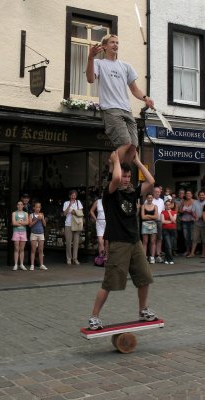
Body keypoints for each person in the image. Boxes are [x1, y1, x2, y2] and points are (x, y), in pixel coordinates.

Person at [88, 150, 157, 330]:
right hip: (118, 242)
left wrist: (138, 162)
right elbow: (116, 179)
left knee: (144, 277)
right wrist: (115, 160)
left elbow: (151, 181)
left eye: (128, 176)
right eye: (124, 176)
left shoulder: (132, 193)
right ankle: (94, 317)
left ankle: (142, 310)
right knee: (110, 282)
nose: (125, 179)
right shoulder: (110, 193)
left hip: (134, 241)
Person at [86, 34, 154, 165]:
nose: (115, 45)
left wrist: (146, 98)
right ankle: (112, 171)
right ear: (104, 46)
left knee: (134, 146)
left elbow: (134, 90)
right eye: (112, 42)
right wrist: (90, 57)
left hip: (126, 110)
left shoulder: (126, 67)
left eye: (117, 42)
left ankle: (123, 173)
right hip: (111, 109)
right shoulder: (98, 63)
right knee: (125, 143)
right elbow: (90, 79)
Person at [63, 190, 83, 265]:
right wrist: (69, 206)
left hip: (77, 223)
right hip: (68, 224)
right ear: (69, 196)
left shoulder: (78, 202)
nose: (73, 197)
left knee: (76, 242)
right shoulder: (66, 203)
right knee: (68, 242)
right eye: (72, 195)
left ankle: (75, 258)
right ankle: (69, 258)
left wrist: (73, 212)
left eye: (74, 195)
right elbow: (64, 213)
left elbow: (80, 212)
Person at [29, 202, 48, 270]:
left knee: (40, 250)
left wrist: (42, 218)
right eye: (36, 207)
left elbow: (45, 225)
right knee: (33, 250)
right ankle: (32, 265)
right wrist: (37, 219)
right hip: (34, 233)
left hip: (41, 233)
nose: (38, 208)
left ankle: (41, 264)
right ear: (34, 208)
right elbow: (30, 225)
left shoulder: (42, 214)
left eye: (39, 207)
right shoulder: (31, 215)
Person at [141, 193, 158, 264]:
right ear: (146, 198)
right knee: (145, 242)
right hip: (145, 224)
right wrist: (151, 216)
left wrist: (147, 215)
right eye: (148, 198)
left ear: (152, 198)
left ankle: (152, 257)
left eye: (151, 198)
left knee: (153, 241)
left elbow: (156, 217)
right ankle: (144, 257)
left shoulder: (155, 206)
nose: (150, 199)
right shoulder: (143, 206)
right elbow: (142, 217)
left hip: (153, 224)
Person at [187, 190, 205, 258]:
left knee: (204, 240)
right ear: (198, 196)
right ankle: (192, 253)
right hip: (196, 224)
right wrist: (195, 216)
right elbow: (193, 211)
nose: (201, 196)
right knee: (194, 239)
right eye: (200, 195)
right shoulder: (195, 202)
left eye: (203, 195)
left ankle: (203, 254)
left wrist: (201, 217)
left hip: (204, 224)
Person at [11, 201, 29, 271]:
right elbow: (13, 222)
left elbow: (27, 222)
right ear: (17, 206)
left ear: (23, 206)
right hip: (16, 232)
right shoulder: (14, 213)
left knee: (22, 249)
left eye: (21, 205)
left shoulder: (26, 213)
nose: (20, 206)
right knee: (16, 249)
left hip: (23, 232)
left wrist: (18, 222)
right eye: (18, 204)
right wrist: (22, 223)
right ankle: (15, 264)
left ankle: (21, 264)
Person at [178, 189, 195, 256]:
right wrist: (183, 211)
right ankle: (187, 250)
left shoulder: (194, 201)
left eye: (189, 193)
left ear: (192, 195)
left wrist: (189, 212)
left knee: (191, 237)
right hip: (184, 221)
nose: (188, 195)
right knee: (186, 237)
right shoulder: (183, 201)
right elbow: (179, 210)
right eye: (187, 193)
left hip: (192, 221)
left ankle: (192, 251)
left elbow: (196, 211)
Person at [161, 200, 177, 264]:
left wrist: (169, 212)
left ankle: (166, 259)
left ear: (171, 205)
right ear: (165, 205)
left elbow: (173, 220)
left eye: (169, 205)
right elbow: (163, 221)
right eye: (166, 205)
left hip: (173, 230)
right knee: (168, 245)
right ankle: (171, 259)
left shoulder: (174, 212)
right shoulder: (163, 212)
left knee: (170, 245)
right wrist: (171, 221)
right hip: (165, 230)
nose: (167, 206)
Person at [151, 186, 165, 263]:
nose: (157, 193)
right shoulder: (150, 200)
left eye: (159, 192)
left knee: (159, 238)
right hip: (152, 221)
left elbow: (163, 211)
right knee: (152, 239)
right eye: (156, 192)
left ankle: (158, 254)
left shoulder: (162, 201)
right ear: (153, 192)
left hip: (159, 221)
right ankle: (151, 255)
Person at [21, 193, 33, 266]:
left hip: (30, 227)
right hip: (22, 227)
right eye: (24, 198)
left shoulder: (31, 206)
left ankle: (30, 261)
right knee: (21, 245)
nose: (26, 199)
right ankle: (20, 262)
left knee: (30, 244)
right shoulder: (20, 206)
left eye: (27, 198)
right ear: (22, 198)